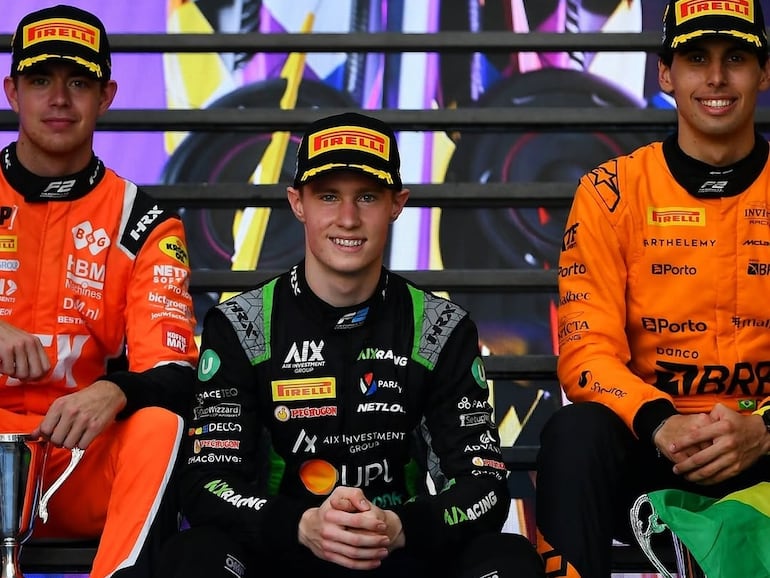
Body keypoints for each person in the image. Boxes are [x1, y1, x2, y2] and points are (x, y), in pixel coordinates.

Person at [156, 111, 545, 578]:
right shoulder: (242, 324)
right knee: (193, 556)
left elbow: (484, 485)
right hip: (282, 553)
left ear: (397, 203)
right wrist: (302, 525)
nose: (348, 218)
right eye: (327, 196)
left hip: (398, 552)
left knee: (509, 560)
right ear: (297, 203)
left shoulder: (440, 327)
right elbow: (206, 483)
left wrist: (398, 526)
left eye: (367, 196)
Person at [535, 0, 770, 576]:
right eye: (696, 58)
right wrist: (659, 422)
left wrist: (763, 429)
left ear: (764, 73)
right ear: (665, 74)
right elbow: (586, 350)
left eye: (735, 58)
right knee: (574, 433)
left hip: (765, 441)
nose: (715, 78)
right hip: (655, 444)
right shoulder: (611, 192)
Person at [0, 5, 198, 578]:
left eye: (78, 82)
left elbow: (178, 371)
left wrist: (115, 390)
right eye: (41, 80)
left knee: (162, 425)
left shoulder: (144, 223)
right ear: (13, 91)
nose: (59, 99)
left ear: (106, 95)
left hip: (75, 460)